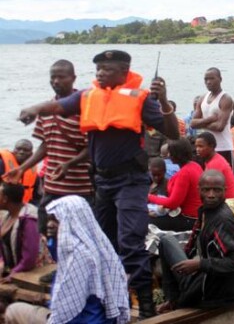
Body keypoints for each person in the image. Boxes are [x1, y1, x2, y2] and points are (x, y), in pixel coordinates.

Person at [18, 49, 180, 318]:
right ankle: (112, 297)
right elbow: (58, 106)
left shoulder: (139, 99)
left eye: (107, 70)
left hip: (131, 180)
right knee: (103, 242)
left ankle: (146, 305)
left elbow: (172, 133)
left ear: (124, 72)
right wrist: (34, 109)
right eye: (98, 71)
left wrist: (163, 101)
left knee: (130, 241)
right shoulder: (86, 96)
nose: (101, 74)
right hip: (102, 182)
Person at [5, 196, 130, 324]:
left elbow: (69, 310)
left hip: (82, 321)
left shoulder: (79, 256)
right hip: (90, 319)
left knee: (13, 311)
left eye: (56, 220)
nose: (49, 225)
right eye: (49, 220)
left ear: (73, 221)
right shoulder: (97, 246)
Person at [4, 60, 92, 235]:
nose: (56, 81)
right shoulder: (45, 109)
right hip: (52, 185)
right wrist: (22, 169)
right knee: (45, 230)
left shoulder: (85, 109)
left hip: (79, 186)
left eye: (61, 77)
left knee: (80, 233)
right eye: (53, 77)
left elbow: (93, 147)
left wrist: (70, 164)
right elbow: (45, 145)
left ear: (73, 78)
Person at [157, 170, 234, 312]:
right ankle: (173, 299)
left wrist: (199, 264)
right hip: (203, 280)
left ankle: (177, 301)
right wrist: (190, 261)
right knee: (165, 240)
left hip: (214, 294)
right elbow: (192, 246)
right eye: (206, 190)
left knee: (166, 242)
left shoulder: (222, 220)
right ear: (199, 190)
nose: (211, 195)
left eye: (216, 190)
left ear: (225, 191)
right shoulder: (205, 211)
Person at [148, 138, 203, 232]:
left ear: (177, 154)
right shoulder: (194, 165)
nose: (168, 156)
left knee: (147, 221)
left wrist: (149, 197)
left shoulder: (184, 173)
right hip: (195, 216)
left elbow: (173, 203)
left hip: (188, 219)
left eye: (170, 153)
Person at [190, 67, 234, 169]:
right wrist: (209, 119)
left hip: (224, 147)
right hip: (206, 149)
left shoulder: (225, 99)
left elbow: (220, 127)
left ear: (220, 79)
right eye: (206, 79)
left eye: (212, 78)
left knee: (225, 182)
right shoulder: (202, 98)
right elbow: (192, 123)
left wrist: (201, 124)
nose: (208, 82)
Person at [0, 182, 39, 283]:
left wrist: (13, 274)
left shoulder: (29, 220)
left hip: (29, 276)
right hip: (12, 270)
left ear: (5, 199)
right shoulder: (5, 217)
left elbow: (29, 259)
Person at [195, 132, 234, 199]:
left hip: (229, 202)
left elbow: (211, 191)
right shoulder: (211, 159)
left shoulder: (215, 164)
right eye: (196, 146)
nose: (197, 149)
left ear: (211, 146)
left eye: (201, 146)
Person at [0, 139, 40, 205]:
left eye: (26, 150)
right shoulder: (2, 164)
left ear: (31, 154)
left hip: (24, 204)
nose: (21, 152)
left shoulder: (33, 171)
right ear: (13, 151)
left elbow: (37, 195)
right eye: (18, 149)